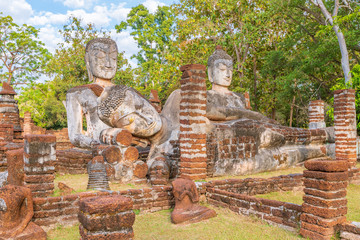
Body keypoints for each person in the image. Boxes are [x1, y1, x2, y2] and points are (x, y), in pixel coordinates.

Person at [66, 38, 162, 149]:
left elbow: (149, 120)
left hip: (131, 148)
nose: (108, 64)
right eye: (100, 57)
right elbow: (75, 136)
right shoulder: (78, 93)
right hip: (99, 149)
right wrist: (94, 144)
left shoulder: (126, 92)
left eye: (113, 57)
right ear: (88, 60)